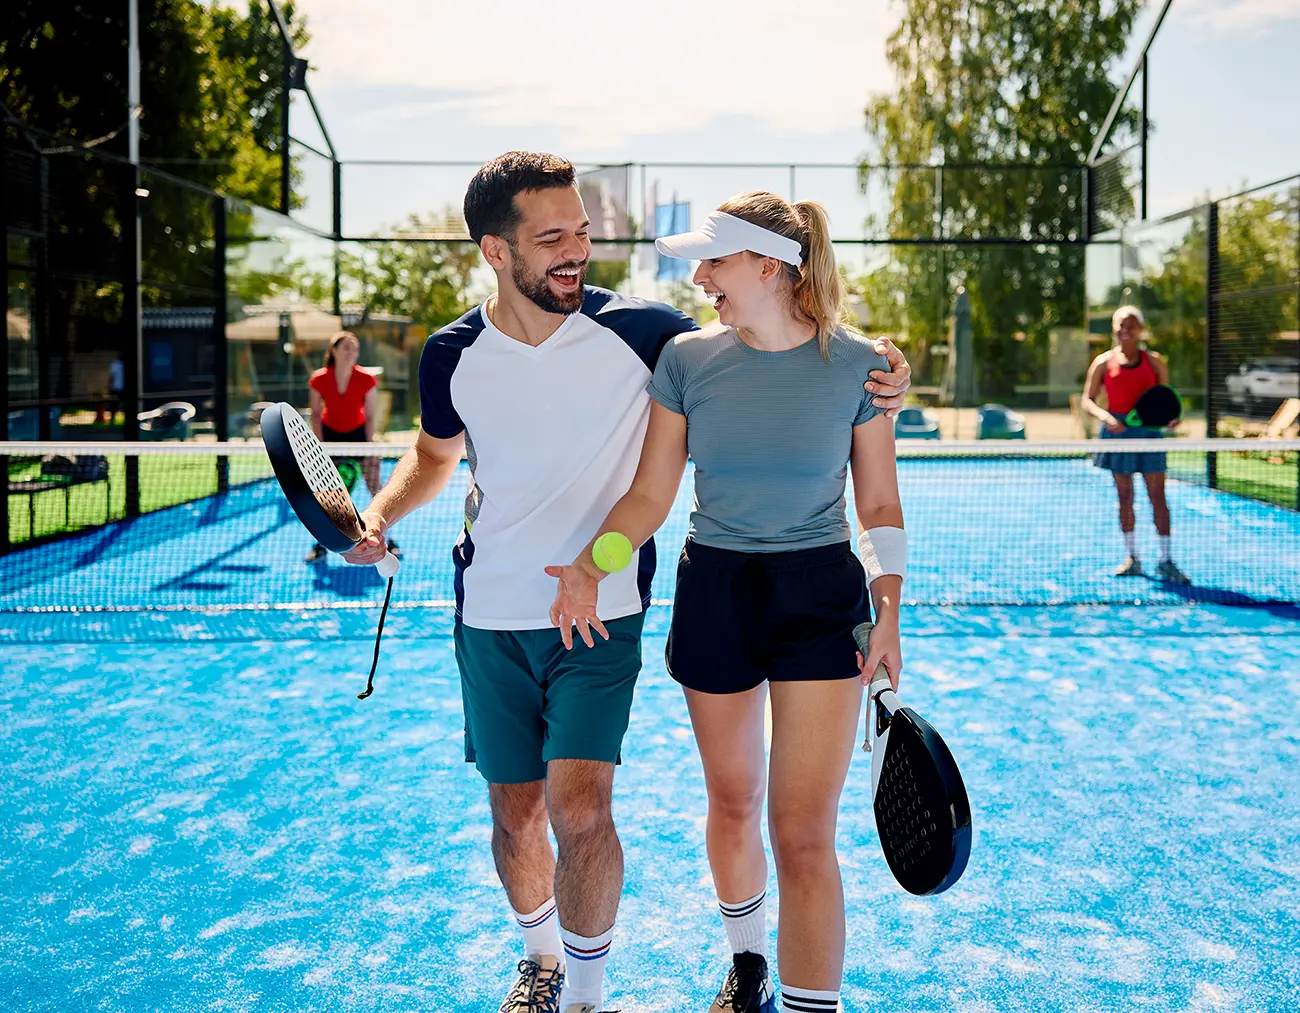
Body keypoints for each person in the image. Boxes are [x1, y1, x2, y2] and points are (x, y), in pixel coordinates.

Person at [341, 153, 915, 1013]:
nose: (580, 250)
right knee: (610, 811)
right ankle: (631, 961)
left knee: (709, 823)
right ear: (497, 252)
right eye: (555, 236)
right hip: (602, 601)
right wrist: (395, 518)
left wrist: (890, 603)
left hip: (717, 606)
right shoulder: (499, 352)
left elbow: (847, 455)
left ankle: (663, 999)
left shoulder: (705, 342)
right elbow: (470, 461)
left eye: (582, 231)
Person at [546, 192, 907, 1013]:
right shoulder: (686, 362)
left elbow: (879, 506)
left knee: (804, 831)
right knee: (735, 800)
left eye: (715, 261)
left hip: (821, 593)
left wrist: (888, 613)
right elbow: (647, 497)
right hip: (715, 591)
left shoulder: (862, 367)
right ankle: (748, 964)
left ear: (769, 267)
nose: (700, 276)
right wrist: (589, 566)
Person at [1081, 305, 1189, 584]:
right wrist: (1105, 417)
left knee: (1158, 497)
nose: (1125, 330)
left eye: (1131, 325)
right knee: (1125, 496)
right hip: (1117, 436)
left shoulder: (1155, 362)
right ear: (1114, 329)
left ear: (1140, 329)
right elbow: (1087, 400)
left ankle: (1165, 560)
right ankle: (1132, 557)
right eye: (1120, 325)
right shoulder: (1103, 363)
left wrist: (1171, 419)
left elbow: (1164, 399)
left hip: (1149, 436)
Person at [305, 331, 398, 562]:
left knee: (375, 486)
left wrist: (369, 448)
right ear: (333, 351)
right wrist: (322, 449)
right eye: (346, 347)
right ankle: (321, 545)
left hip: (359, 436)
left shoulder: (366, 379)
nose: (351, 352)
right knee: (328, 495)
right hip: (329, 436)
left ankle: (389, 541)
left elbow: (369, 417)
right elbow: (316, 415)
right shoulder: (319, 379)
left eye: (354, 348)